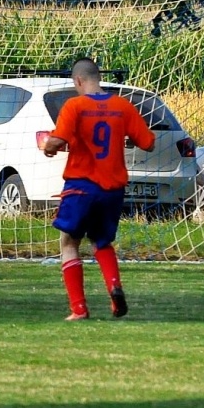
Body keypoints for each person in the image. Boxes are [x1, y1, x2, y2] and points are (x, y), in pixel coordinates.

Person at [41, 57, 155, 321]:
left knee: (69, 243)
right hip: (112, 189)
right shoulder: (122, 106)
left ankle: (78, 308)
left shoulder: (75, 106)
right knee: (102, 241)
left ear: (78, 80)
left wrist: (49, 144)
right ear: (97, 77)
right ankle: (114, 287)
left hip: (81, 185)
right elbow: (148, 143)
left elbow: (57, 140)